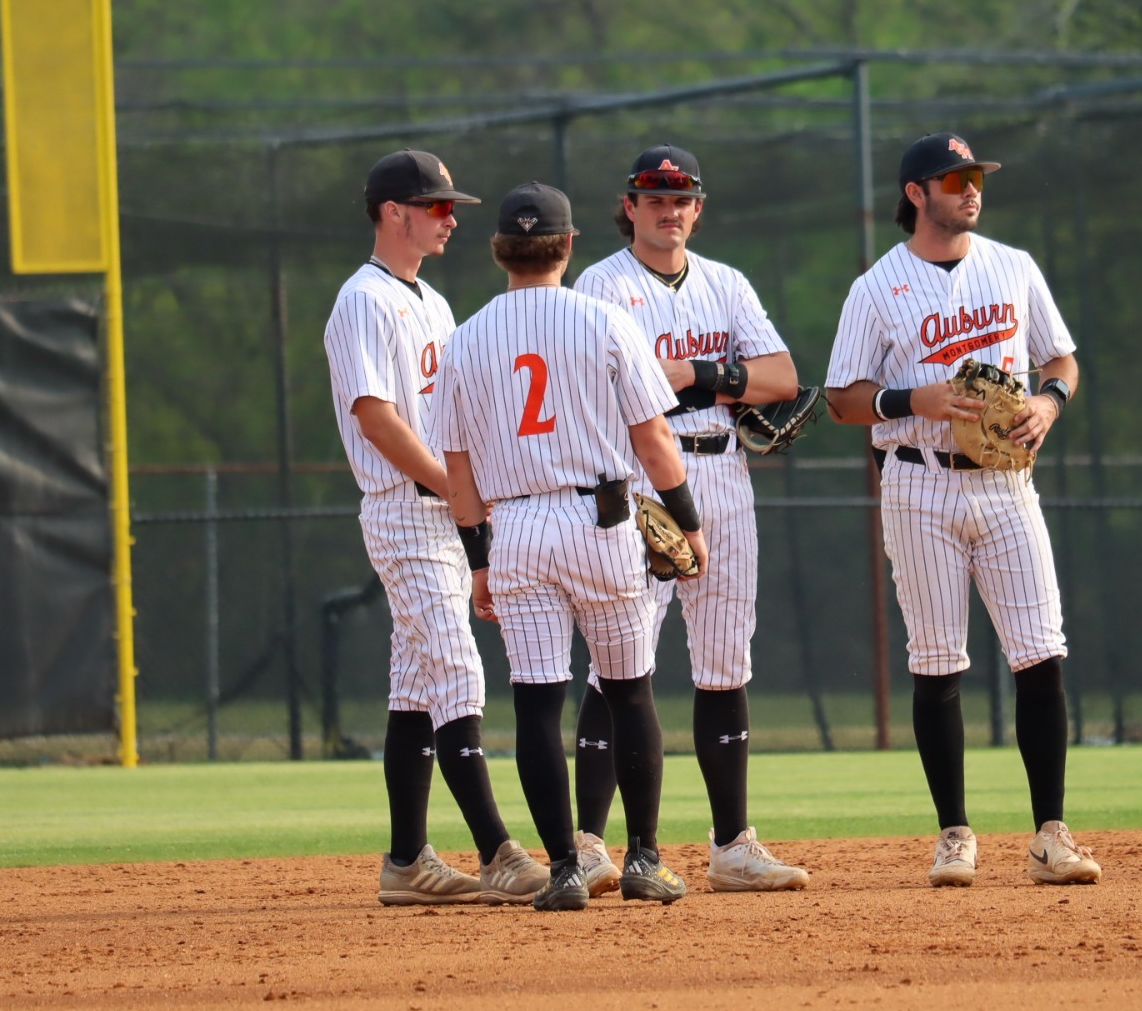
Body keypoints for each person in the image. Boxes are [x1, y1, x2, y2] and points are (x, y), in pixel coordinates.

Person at [822, 132, 1102, 888]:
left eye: (975, 175)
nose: (971, 189)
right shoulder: (878, 286)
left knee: (1041, 652)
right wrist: (915, 398)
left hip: (1007, 480)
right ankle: (955, 833)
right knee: (936, 660)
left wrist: (1049, 401)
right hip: (919, 480)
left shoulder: (1013, 267)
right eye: (954, 178)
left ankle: (1052, 833)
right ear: (917, 193)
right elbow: (842, 397)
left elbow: (1062, 358)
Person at [435, 182, 705, 912]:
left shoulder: (465, 338)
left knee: (535, 703)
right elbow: (652, 438)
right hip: (601, 520)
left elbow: (457, 470)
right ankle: (643, 856)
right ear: (568, 244)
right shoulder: (606, 320)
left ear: (500, 251)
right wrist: (688, 518)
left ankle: (562, 869)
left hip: (517, 528)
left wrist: (478, 560)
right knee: (627, 690)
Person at [570, 145, 810, 894]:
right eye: (655, 197)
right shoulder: (600, 285)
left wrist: (703, 375)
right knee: (618, 657)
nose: (669, 210)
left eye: (682, 198)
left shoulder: (725, 284)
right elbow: (594, 386)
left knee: (725, 660)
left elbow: (784, 376)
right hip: (642, 474)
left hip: (724, 474)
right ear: (630, 206)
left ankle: (732, 844)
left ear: (697, 209)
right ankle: (586, 843)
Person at [321, 149, 550, 907]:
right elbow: (375, 415)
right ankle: (498, 852)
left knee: (416, 685)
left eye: (452, 206)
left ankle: (408, 859)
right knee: (458, 671)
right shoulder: (362, 300)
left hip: (442, 512)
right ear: (394, 212)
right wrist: (454, 488)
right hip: (403, 507)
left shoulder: (434, 303)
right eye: (437, 205)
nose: (452, 217)